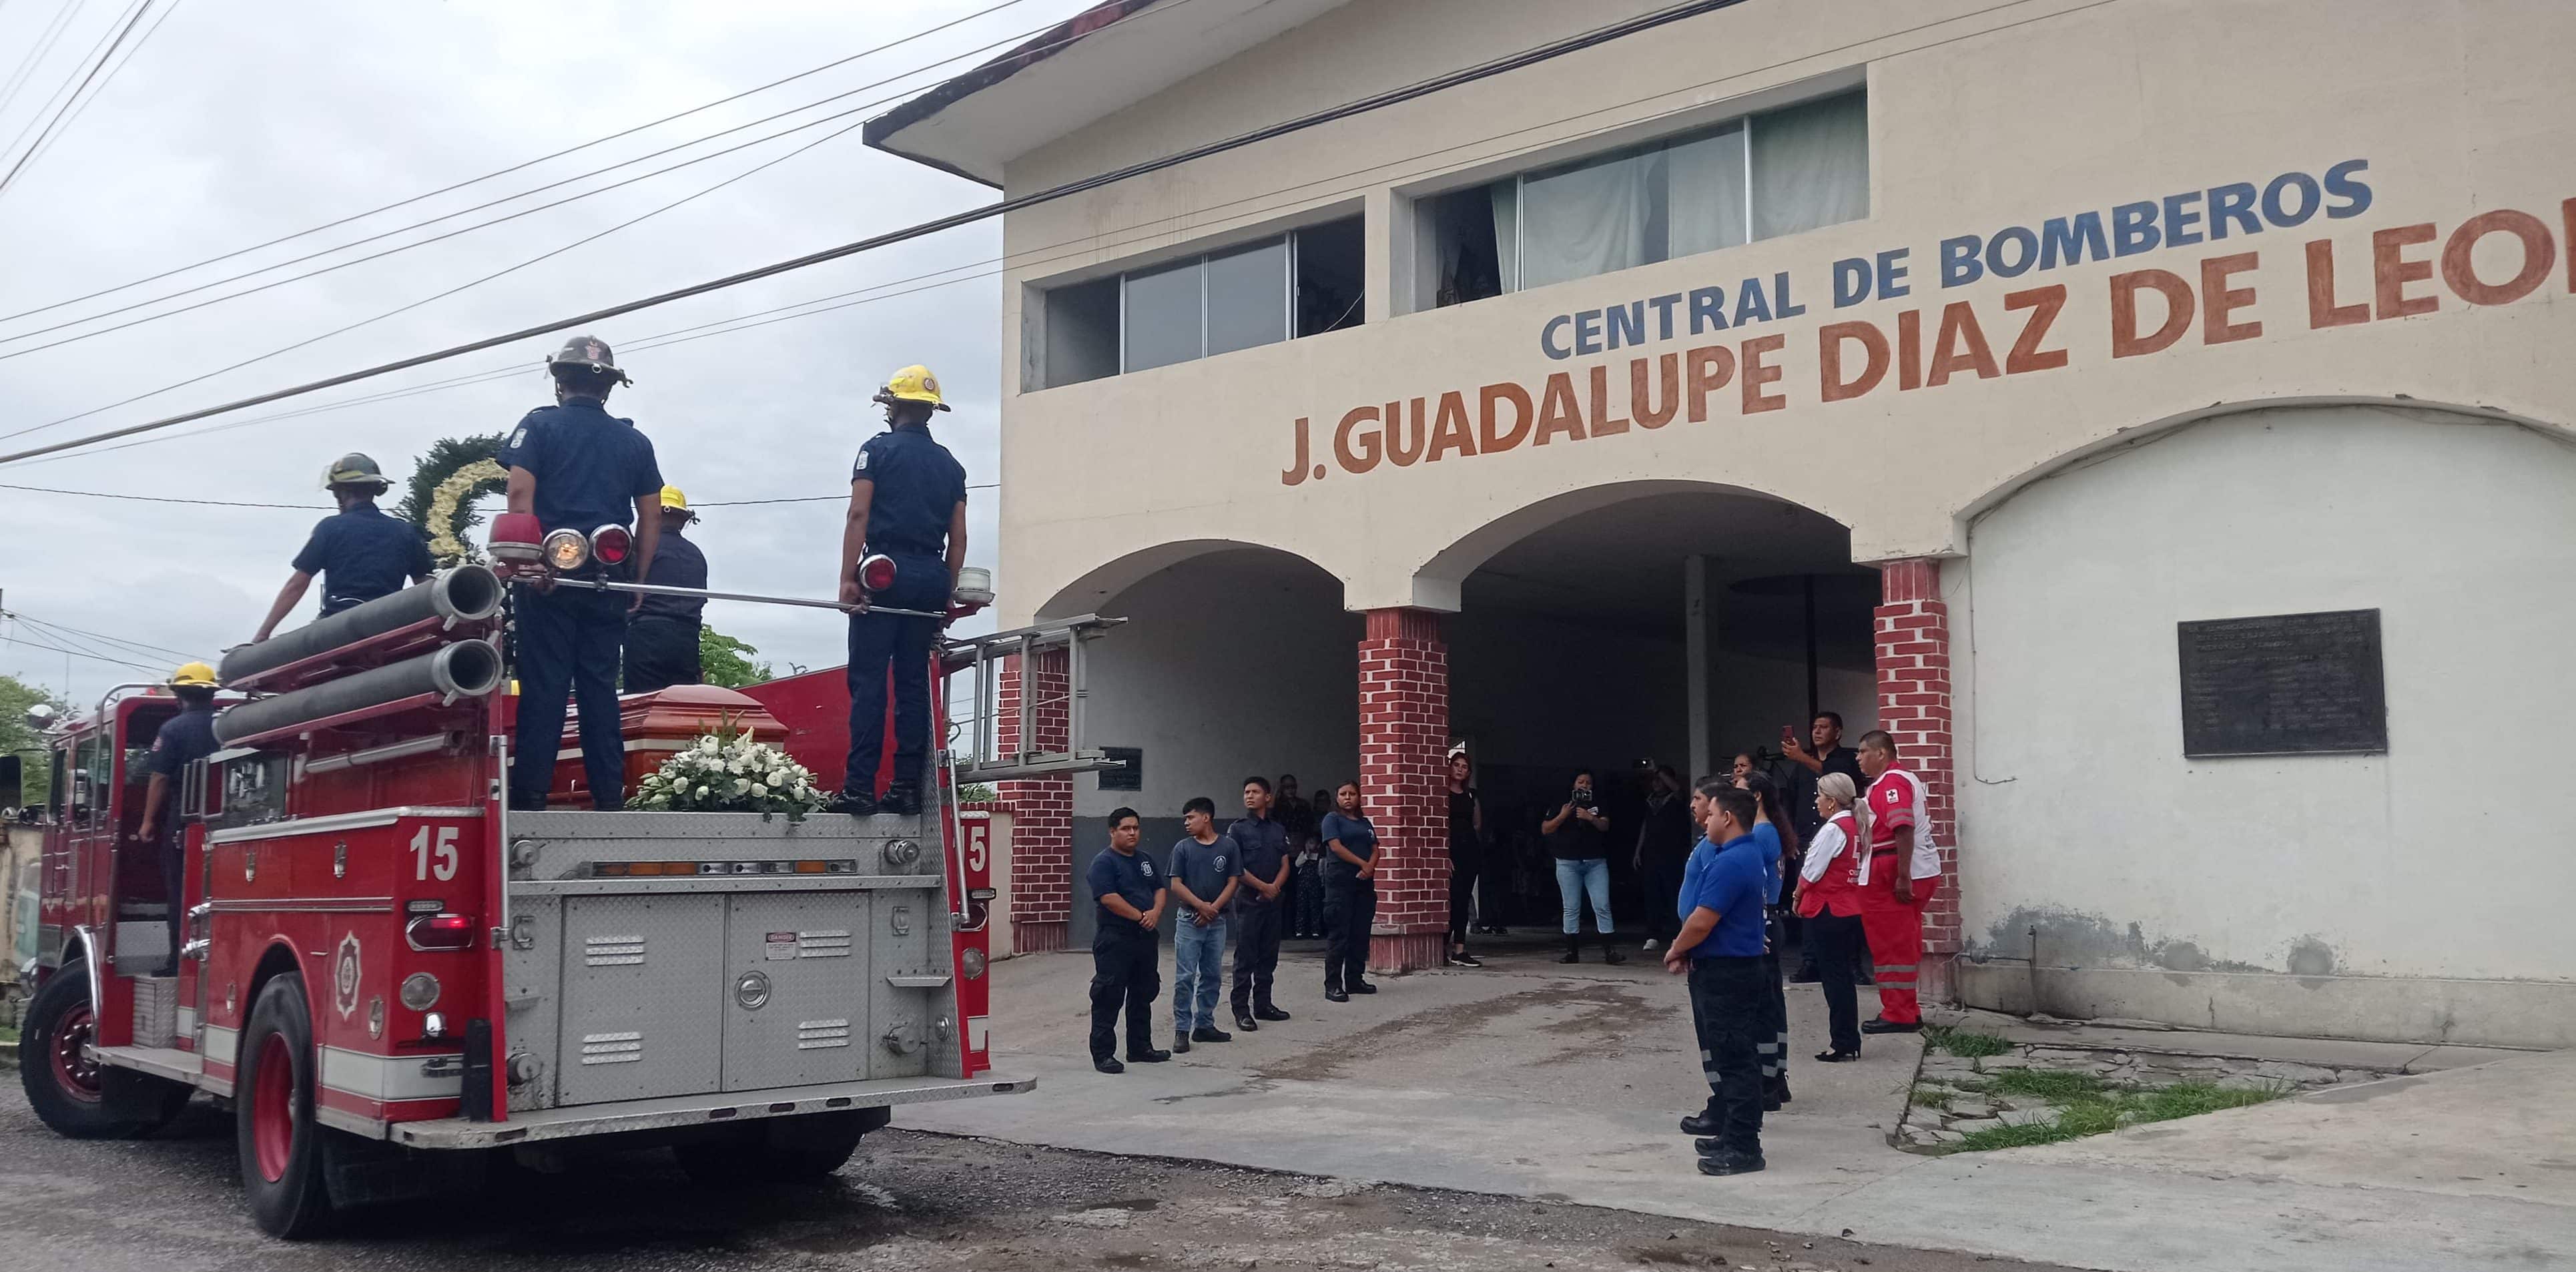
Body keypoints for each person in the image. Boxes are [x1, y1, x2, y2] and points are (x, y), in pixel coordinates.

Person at [501, 336, 663, 812]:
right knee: (599, 688)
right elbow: (649, 515)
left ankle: (530, 799)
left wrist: (528, 561)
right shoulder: (635, 441)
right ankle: (609, 799)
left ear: (560, 381)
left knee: (545, 687)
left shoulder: (538, 426)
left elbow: (517, 495)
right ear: (609, 388)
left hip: (547, 578)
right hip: (607, 579)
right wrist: (639, 579)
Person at [832, 364, 969, 818]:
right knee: (913, 687)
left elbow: (858, 516)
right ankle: (907, 787)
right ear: (931, 413)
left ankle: (858, 789)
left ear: (892, 407)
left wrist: (849, 577)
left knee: (870, 682)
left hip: (884, 573)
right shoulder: (952, 465)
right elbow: (960, 538)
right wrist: (945, 591)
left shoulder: (876, 451)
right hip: (930, 574)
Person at [1665, 782, 1770, 1177]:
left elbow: (1704, 919)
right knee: (1731, 1058)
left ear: (1727, 817)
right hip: (1730, 967)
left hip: (1729, 971)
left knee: (1736, 1060)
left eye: (1710, 815)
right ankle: (1732, 1133)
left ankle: (1745, 1146)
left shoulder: (1732, 861)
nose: (1705, 821)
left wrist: (1677, 948)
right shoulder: (1739, 855)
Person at [252, 452, 434, 642]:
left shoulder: (330, 528)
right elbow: (425, 587)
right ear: (375, 490)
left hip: (339, 629)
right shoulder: (405, 531)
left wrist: (263, 634)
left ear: (341, 493)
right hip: (388, 626)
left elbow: (296, 585)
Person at [132, 663, 220, 976]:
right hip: (230, 824)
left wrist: (146, 823)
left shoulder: (173, 730)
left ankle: (176, 963)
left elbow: (158, 778)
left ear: (179, 696)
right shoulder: (230, 725)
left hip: (184, 823)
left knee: (181, 891)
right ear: (212, 694)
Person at [1856, 730, 1943, 1034]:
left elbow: (1902, 828)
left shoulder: (1892, 783)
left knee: (1892, 946)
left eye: (1863, 751)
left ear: (1881, 753)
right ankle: (1905, 1008)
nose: (1858, 758)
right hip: (1899, 870)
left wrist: (1903, 877)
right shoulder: (1892, 782)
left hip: (1894, 872)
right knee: (1901, 943)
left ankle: (1899, 1013)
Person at [1780, 712, 1867, 982]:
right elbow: (1790, 801)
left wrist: (1801, 758)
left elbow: (1835, 777)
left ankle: (1852, 964)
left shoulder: (1845, 760)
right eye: (1815, 727)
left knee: (1845, 903)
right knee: (1808, 903)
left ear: (1838, 732)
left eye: (1824, 727)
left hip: (1839, 836)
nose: (1817, 732)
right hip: (1806, 838)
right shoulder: (1800, 766)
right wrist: (1790, 837)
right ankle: (1810, 962)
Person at [1794, 772, 1871, 1062]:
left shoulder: (1833, 829)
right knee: (1842, 977)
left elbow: (1812, 870)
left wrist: (1797, 893)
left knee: (1834, 978)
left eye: (1819, 795)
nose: (1816, 801)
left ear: (1832, 801)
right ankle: (1847, 1039)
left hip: (1829, 908)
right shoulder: (1857, 825)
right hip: (1849, 906)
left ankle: (1842, 1042)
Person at [1086, 808, 1170, 1072]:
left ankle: (1140, 1047)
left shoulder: (1144, 859)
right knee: (1109, 995)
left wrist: (1155, 913)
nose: (1132, 833)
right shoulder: (1104, 862)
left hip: (1145, 937)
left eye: (1135, 828)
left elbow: (1159, 888)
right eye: (1126, 828)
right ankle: (1103, 1054)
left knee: (1143, 992)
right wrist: (1139, 916)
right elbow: (1108, 897)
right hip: (1115, 938)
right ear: (1113, 831)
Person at [1737, 769, 1801, 1110]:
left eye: (1740, 789)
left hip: (1763, 921)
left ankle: (1769, 1080)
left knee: (1763, 1007)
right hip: (1772, 919)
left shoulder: (1761, 834)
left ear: (1756, 796)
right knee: (1771, 1005)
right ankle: (1776, 1077)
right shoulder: (1770, 831)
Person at [1167, 798, 1240, 1052]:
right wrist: (1201, 906)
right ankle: (1182, 1030)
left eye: (1191, 817)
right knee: (1185, 976)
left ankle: (1205, 1025)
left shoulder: (1229, 846)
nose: (1186, 823)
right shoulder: (1183, 848)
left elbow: (1233, 881)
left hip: (1216, 921)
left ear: (1206, 817)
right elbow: (1176, 884)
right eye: (1185, 818)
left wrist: (1213, 909)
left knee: (1212, 975)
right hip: (1189, 919)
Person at [623, 485, 707, 694]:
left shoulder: (640, 548)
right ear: (684, 519)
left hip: (646, 636)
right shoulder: (696, 555)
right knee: (682, 708)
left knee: (642, 706)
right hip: (687, 640)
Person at [1225, 777, 1293, 1031]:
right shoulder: (1238, 829)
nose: (1249, 796)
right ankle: (1241, 1009)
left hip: (1273, 901)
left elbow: (1285, 863)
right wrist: (1263, 887)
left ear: (1268, 797)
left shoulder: (1277, 829)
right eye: (1246, 792)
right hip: (1249, 900)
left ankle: (1263, 1004)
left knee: (1269, 955)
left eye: (1255, 792)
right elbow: (1237, 868)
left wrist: (1274, 888)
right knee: (1246, 956)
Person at [1542, 770, 1622, 965]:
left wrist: (1589, 817)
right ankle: (1572, 952)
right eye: (1580, 782)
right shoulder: (1562, 802)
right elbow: (1546, 829)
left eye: (1588, 783)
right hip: (1568, 862)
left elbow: (1605, 826)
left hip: (1595, 862)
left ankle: (1610, 951)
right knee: (1571, 907)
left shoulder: (1599, 802)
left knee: (1602, 904)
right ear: (1573, 785)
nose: (1584, 786)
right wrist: (1563, 815)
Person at [1318, 781, 1379, 1002]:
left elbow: (1375, 849)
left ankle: (1355, 979)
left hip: (1364, 884)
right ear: (1337, 798)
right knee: (1339, 934)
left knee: (1360, 933)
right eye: (1343, 794)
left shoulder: (1365, 823)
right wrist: (1363, 865)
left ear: (1359, 797)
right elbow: (1336, 847)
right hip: (1341, 882)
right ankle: (1333, 984)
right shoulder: (1332, 820)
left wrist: (1370, 866)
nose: (1348, 797)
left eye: (1352, 794)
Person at [1632, 763, 1692, 953]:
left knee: (1673, 892)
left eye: (1660, 779)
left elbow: (1678, 789)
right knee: (1652, 894)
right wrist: (1638, 851)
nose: (1656, 783)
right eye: (1654, 780)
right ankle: (1653, 935)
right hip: (1651, 852)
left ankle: (1679, 933)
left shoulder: (1676, 798)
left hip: (1672, 853)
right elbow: (1645, 826)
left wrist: (1657, 769)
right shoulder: (1650, 800)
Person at [1443, 745, 1485, 968]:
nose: (1460, 770)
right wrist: (1445, 855)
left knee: (1463, 899)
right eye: (1456, 765)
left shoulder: (1471, 795)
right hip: (1451, 853)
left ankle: (1460, 949)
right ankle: (1441, 945)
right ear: (1450, 768)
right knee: (1451, 900)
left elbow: (1478, 823)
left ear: (1469, 773)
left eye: (1464, 767)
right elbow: (1439, 826)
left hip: (1470, 851)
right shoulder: (1442, 794)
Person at [1274, 774, 1321, 939]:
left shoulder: (1303, 805)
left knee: (1303, 893)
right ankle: (1285, 929)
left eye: (1293, 786)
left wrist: (1308, 847)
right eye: (1287, 787)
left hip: (1302, 853)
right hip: (1284, 852)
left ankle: (1303, 929)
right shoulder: (1277, 807)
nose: (1291, 790)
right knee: (1284, 892)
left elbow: (1309, 828)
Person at [1296, 788, 1333, 938]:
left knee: (1317, 905)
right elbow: (1297, 864)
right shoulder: (1310, 819)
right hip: (1303, 882)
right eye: (1319, 801)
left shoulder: (1332, 818)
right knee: (1301, 906)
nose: (1322, 804)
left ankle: (1317, 930)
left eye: (1325, 801)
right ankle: (1300, 930)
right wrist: (1307, 851)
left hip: (1318, 879)